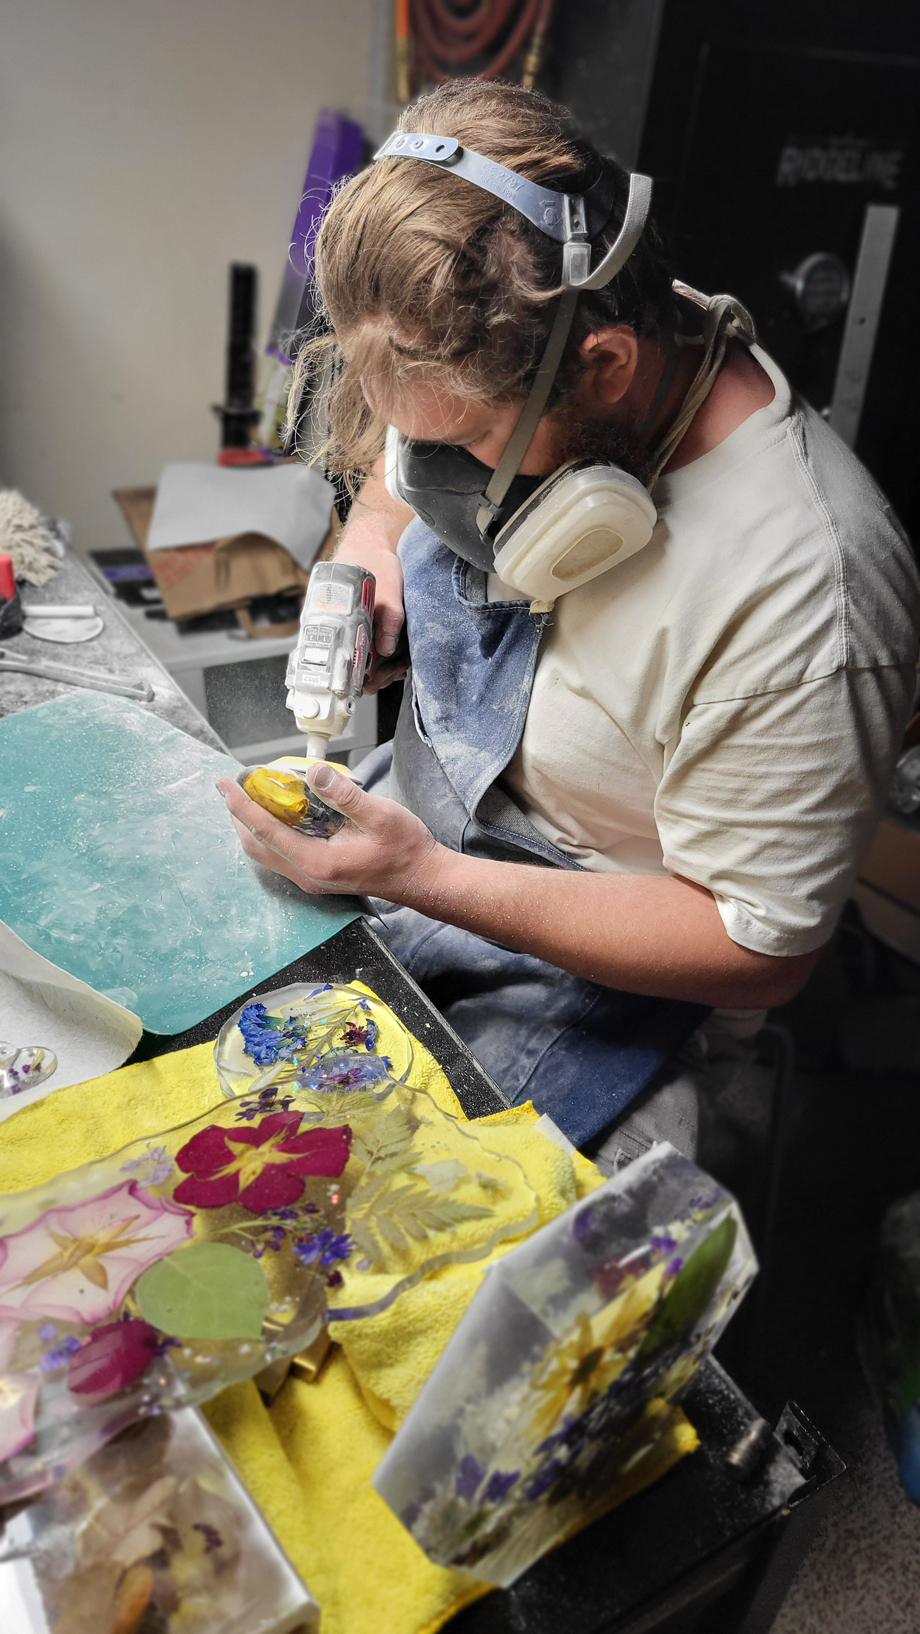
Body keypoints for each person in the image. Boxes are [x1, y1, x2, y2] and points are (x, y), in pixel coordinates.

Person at [218, 80, 920, 1167]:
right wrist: (367, 549)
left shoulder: (807, 595)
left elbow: (757, 947)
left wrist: (424, 878)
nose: (428, 471)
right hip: (420, 848)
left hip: (610, 976)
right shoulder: (519, 336)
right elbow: (409, 458)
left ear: (604, 369)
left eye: (467, 447)